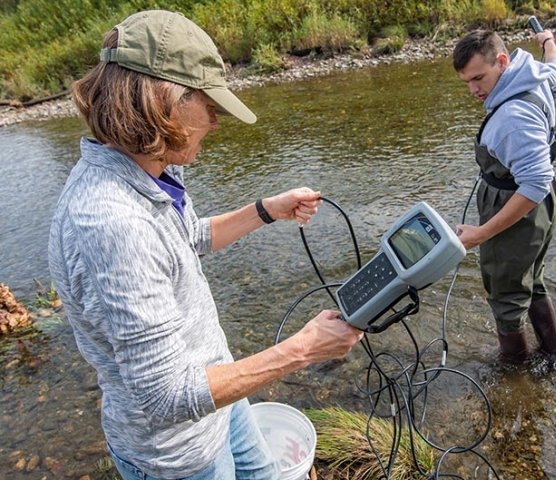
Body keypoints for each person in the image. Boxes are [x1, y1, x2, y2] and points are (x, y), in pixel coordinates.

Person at [48, 10, 364, 480]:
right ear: (162, 100)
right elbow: (166, 396)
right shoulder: (113, 223)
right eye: (209, 106)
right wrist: (303, 349)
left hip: (221, 398)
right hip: (182, 453)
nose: (216, 123)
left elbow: (187, 237)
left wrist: (265, 209)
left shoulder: (149, 169)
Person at [451, 28, 556, 368]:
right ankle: (553, 356)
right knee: (532, 278)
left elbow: (533, 184)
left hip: (518, 206)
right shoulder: (538, 74)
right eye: (466, 83)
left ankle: (513, 371)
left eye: (478, 78)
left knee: (505, 293)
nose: (474, 90)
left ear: (502, 62)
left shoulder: (512, 118)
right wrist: (548, 41)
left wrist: (482, 232)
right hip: (545, 208)